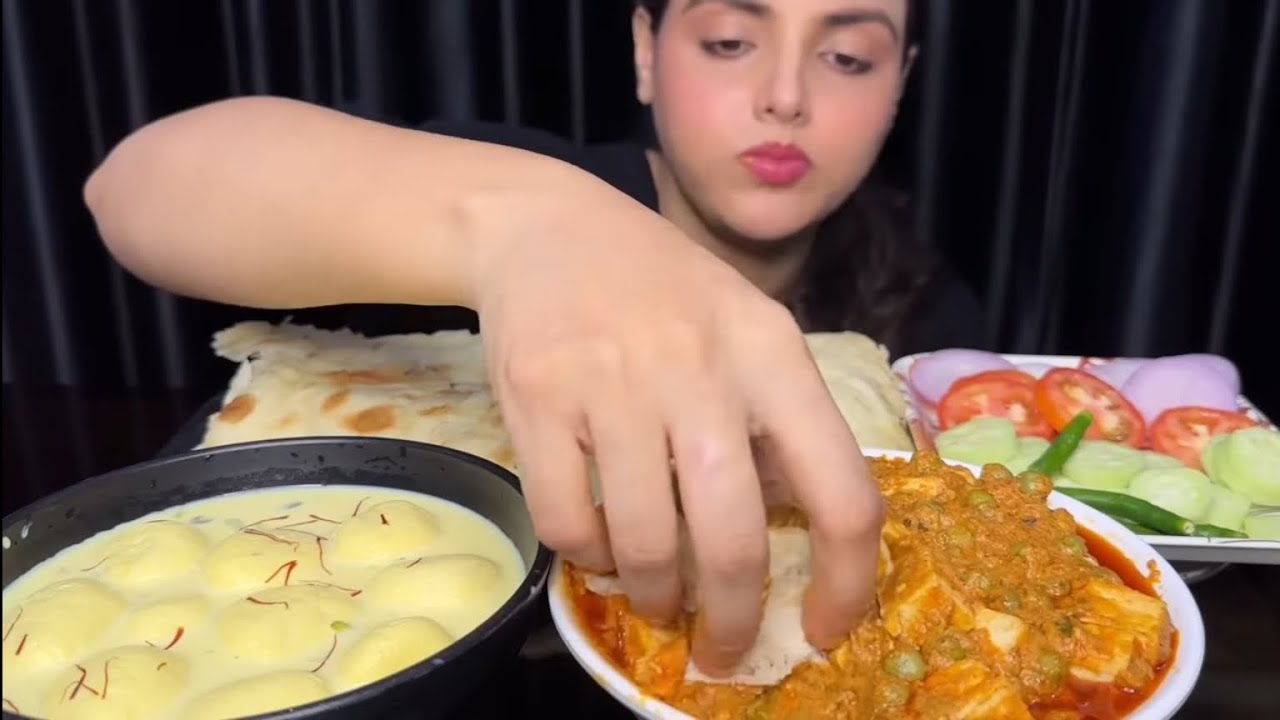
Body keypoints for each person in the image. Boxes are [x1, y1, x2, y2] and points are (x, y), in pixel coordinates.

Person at [84, 0, 981, 677]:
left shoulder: (929, 321)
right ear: (644, 53)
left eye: (848, 57)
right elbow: (136, 188)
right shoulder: (532, 183)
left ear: (901, 81)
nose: (785, 97)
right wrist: (522, 227)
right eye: (729, 44)